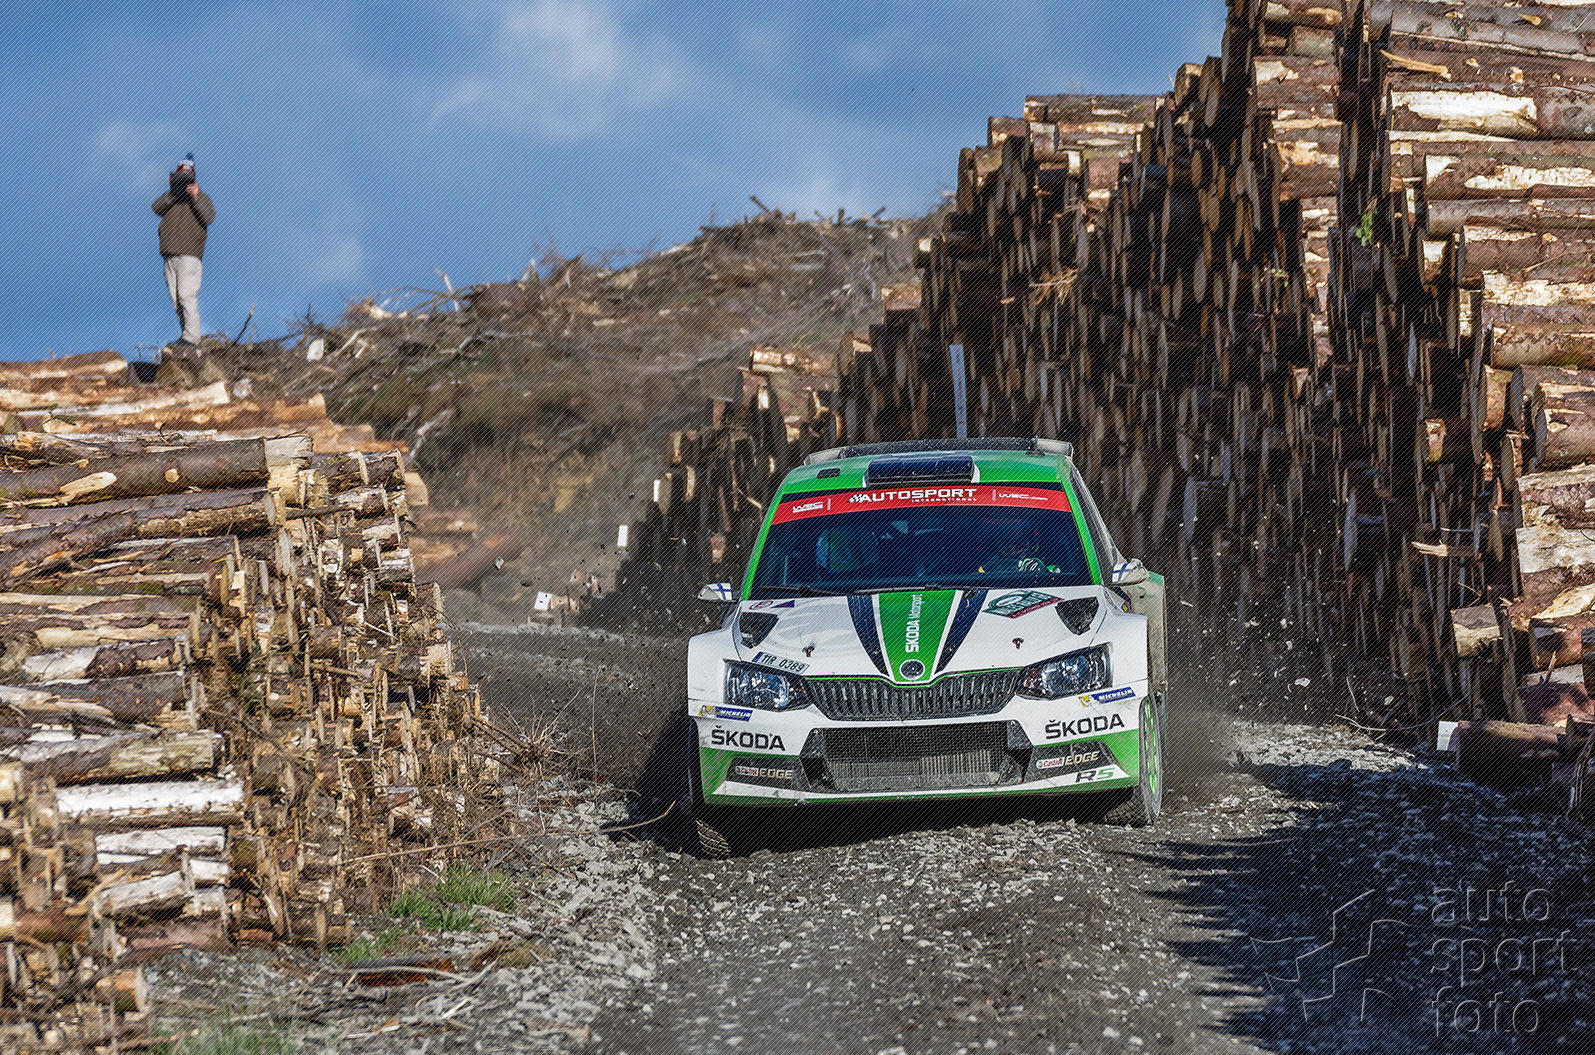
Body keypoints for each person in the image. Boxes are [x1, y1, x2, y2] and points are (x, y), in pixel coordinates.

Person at [152, 152, 215, 348]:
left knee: (186, 295)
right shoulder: (170, 198)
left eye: (187, 177)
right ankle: (185, 337)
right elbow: (155, 207)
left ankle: (192, 338)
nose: (184, 181)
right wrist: (172, 192)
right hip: (169, 254)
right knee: (176, 300)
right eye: (180, 177)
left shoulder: (202, 198)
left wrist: (196, 196)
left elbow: (209, 218)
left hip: (189, 254)